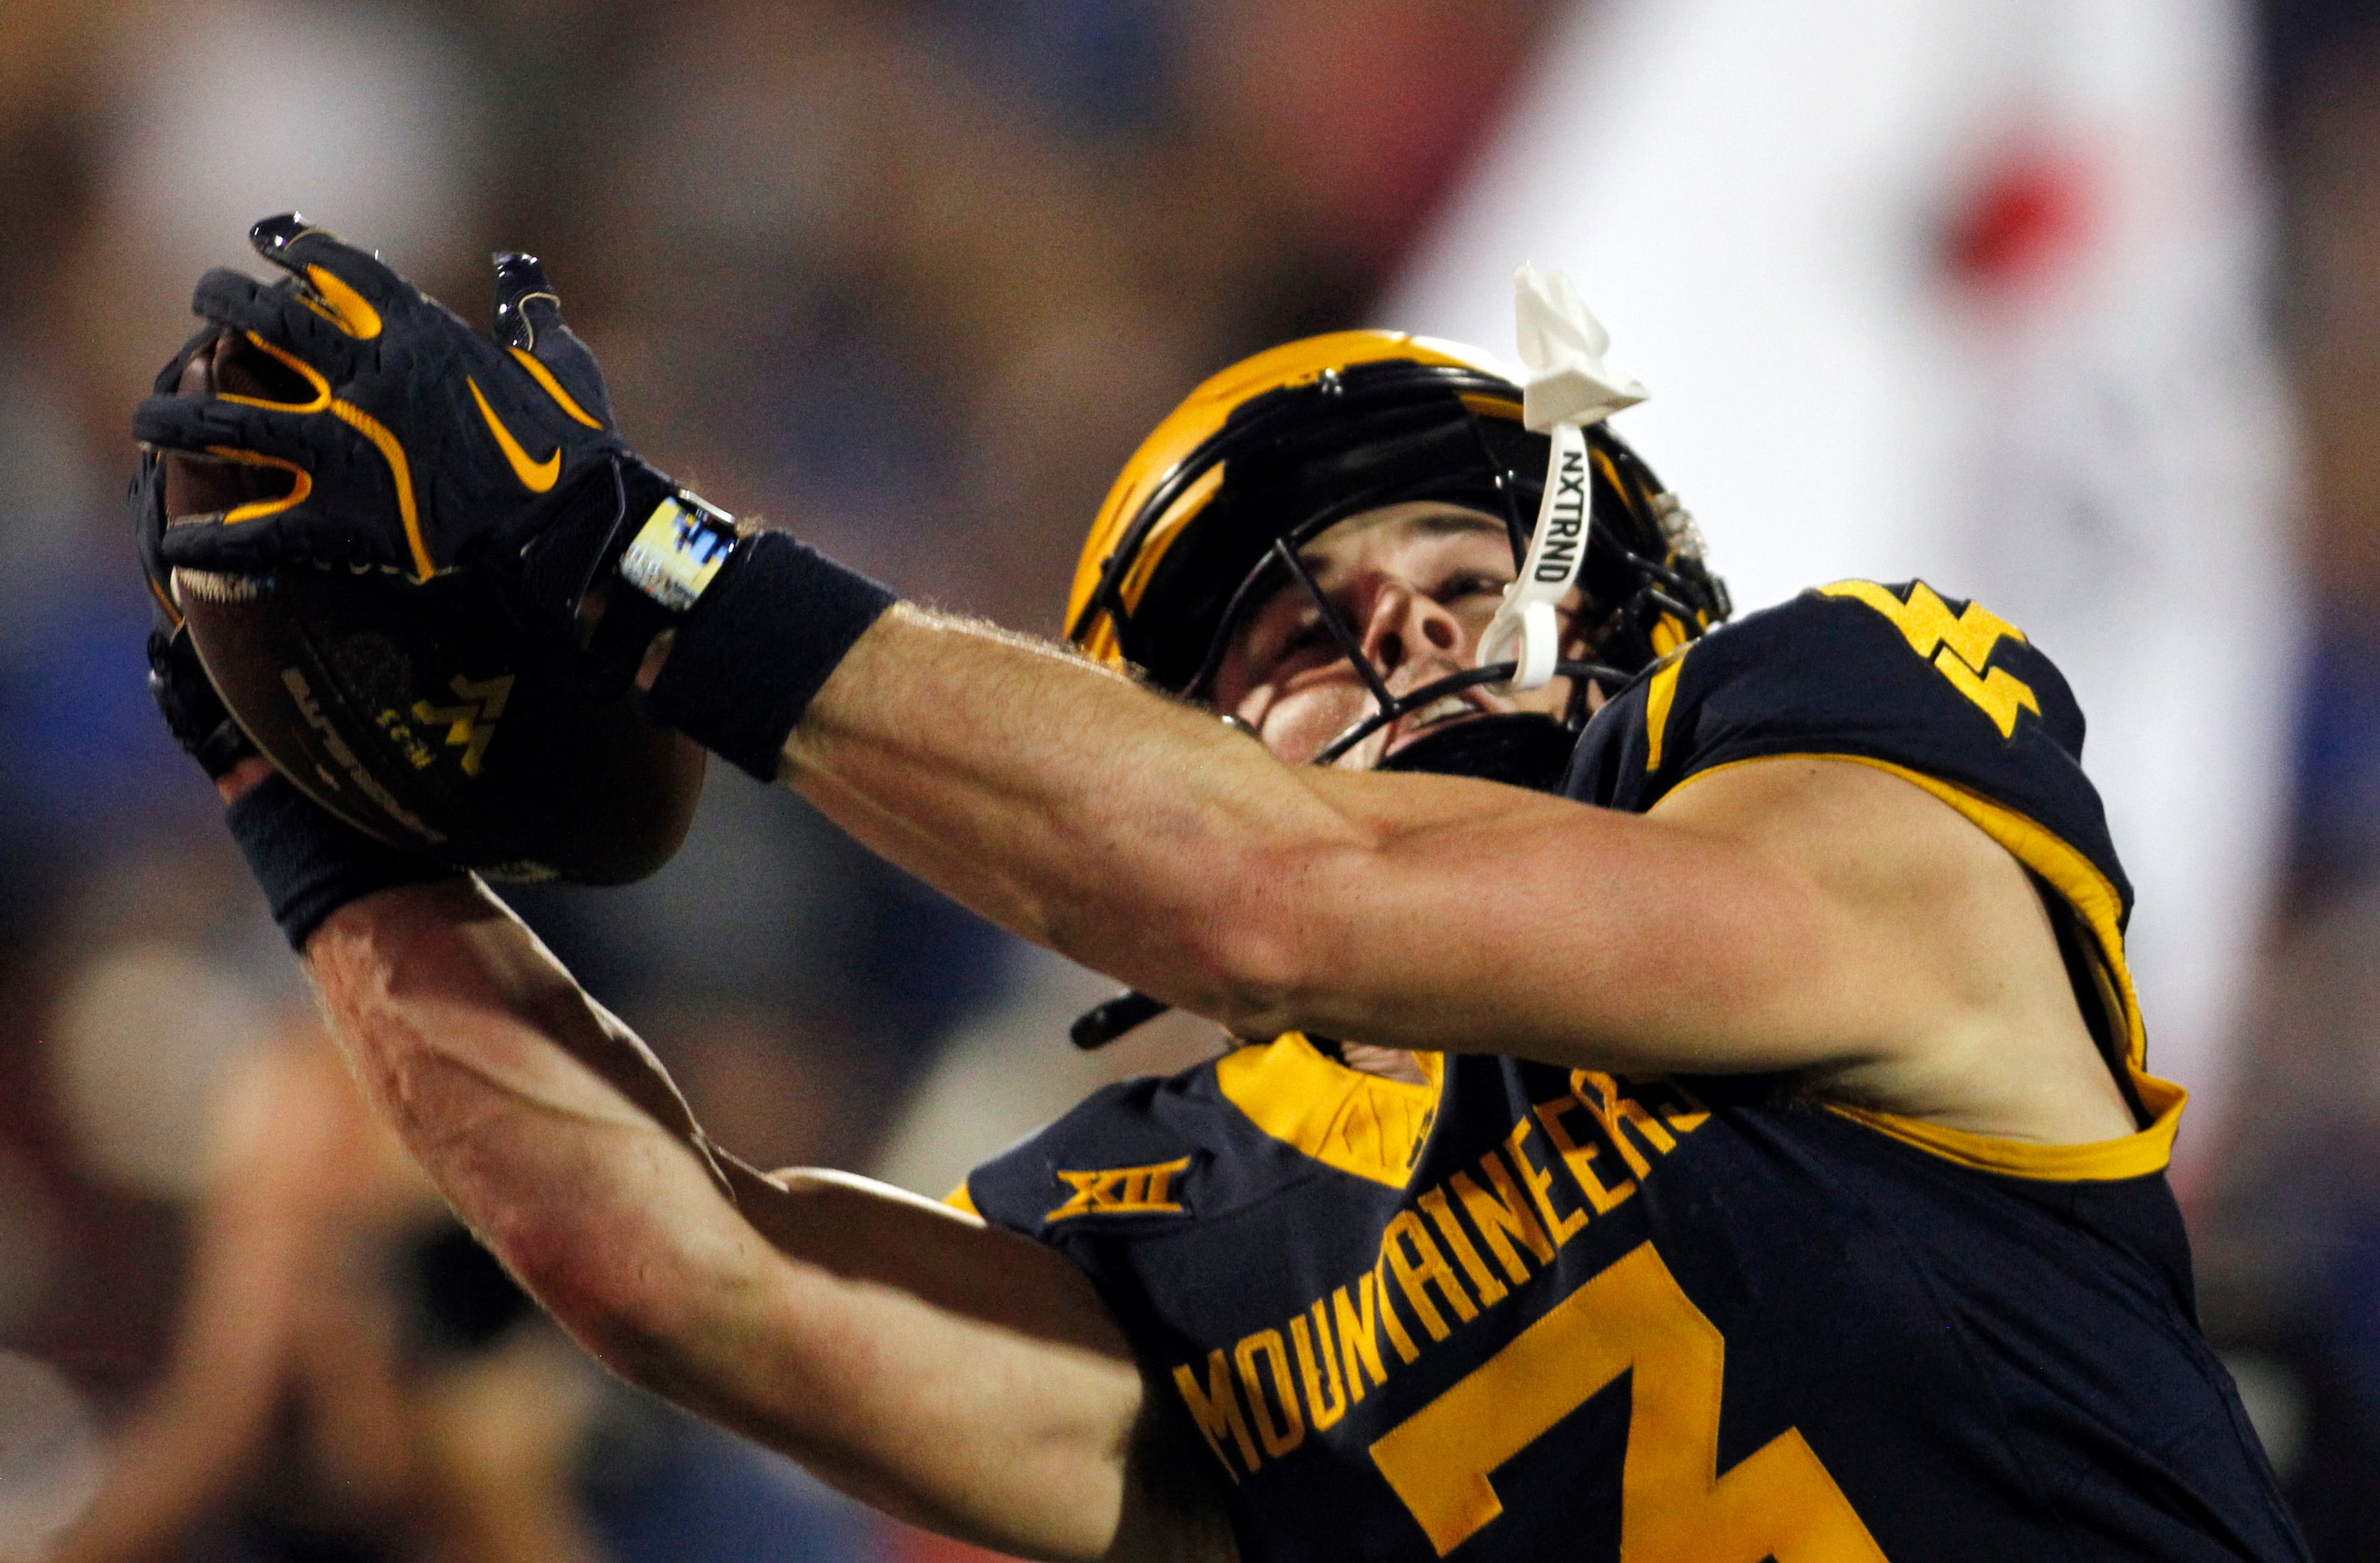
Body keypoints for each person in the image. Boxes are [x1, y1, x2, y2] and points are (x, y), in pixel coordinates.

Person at [131, 216, 2306, 1562]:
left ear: (1626, 605)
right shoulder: (1191, 1232)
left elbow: (1282, 898)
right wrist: (303, 809)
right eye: (1289, 633)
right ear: (1160, 744)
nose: (1411, 630)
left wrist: (631, 552)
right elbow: (673, 1275)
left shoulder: (1853, 752)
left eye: (1473, 570)